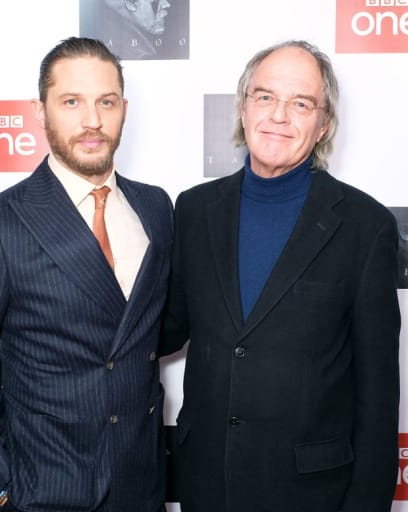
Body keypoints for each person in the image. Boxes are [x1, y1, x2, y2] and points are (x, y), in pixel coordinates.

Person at [0, 37, 173, 512]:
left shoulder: (156, 207)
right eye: (71, 102)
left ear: (124, 108)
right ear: (40, 112)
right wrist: (2, 488)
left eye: (105, 102)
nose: (92, 121)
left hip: (142, 491)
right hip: (47, 494)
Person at [160, 40, 400, 512]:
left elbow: (378, 397)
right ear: (244, 108)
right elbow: (166, 327)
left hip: (312, 494)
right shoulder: (194, 209)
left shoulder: (366, 227)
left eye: (301, 102)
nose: (279, 115)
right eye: (265, 96)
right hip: (206, 484)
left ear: (323, 122)